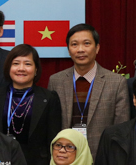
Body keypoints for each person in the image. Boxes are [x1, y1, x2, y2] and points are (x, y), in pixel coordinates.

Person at [47, 24, 130, 156]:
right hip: (65, 156)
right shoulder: (56, 81)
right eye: (74, 44)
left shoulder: (116, 82)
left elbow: (121, 128)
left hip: (101, 156)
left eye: (86, 43)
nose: (80, 49)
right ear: (68, 50)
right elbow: (50, 125)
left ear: (97, 48)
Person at [0, 44, 63, 165]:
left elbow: (53, 139)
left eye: (27, 64)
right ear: (8, 67)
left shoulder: (49, 98)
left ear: (36, 69)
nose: (21, 68)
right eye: (16, 63)